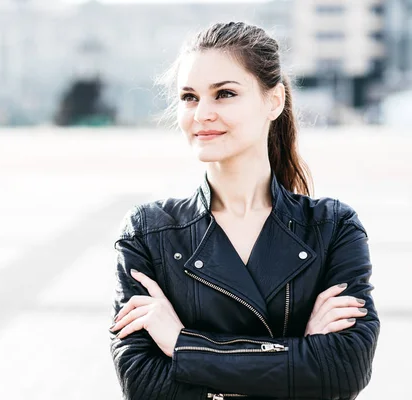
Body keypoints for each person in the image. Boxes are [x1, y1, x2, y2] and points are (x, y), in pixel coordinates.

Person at [108, 22, 379, 400]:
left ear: (274, 101)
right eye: (189, 96)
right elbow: (144, 384)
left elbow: (344, 368)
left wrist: (184, 346)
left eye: (225, 94)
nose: (202, 113)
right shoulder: (148, 232)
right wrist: (299, 358)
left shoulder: (332, 227)